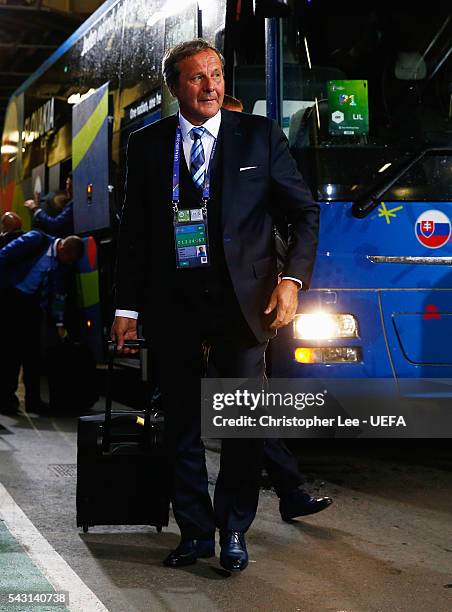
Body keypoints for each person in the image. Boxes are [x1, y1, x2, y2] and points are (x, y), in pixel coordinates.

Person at [111, 39, 319, 572]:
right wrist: (127, 309)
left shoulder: (258, 136)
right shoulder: (147, 145)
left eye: (218, 75)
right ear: (175, 87)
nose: (212, 86)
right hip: (174, 305)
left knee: (243, 427)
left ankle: (233, 530)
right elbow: (134, 235)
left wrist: (292, 282)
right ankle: (197, 533)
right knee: (179, 426)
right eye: (198, 78)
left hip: (244, 306)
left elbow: (304, 213)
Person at [222, 93, 333, 521]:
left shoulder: (259, 171)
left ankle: (284, 492)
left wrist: (287, 282)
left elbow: (298, 218)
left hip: (253, 305)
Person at [0, 231, 84, 415]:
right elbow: (4, 255)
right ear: (63, 248)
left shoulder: (61, 265)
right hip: (12, 296)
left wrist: (59, 322)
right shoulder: (35, 240)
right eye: (69, 258)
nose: (69, 263)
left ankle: (33, 401)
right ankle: (6, 399)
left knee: (33, 353)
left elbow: (58, 295)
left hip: (32, 303)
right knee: (10, 351)